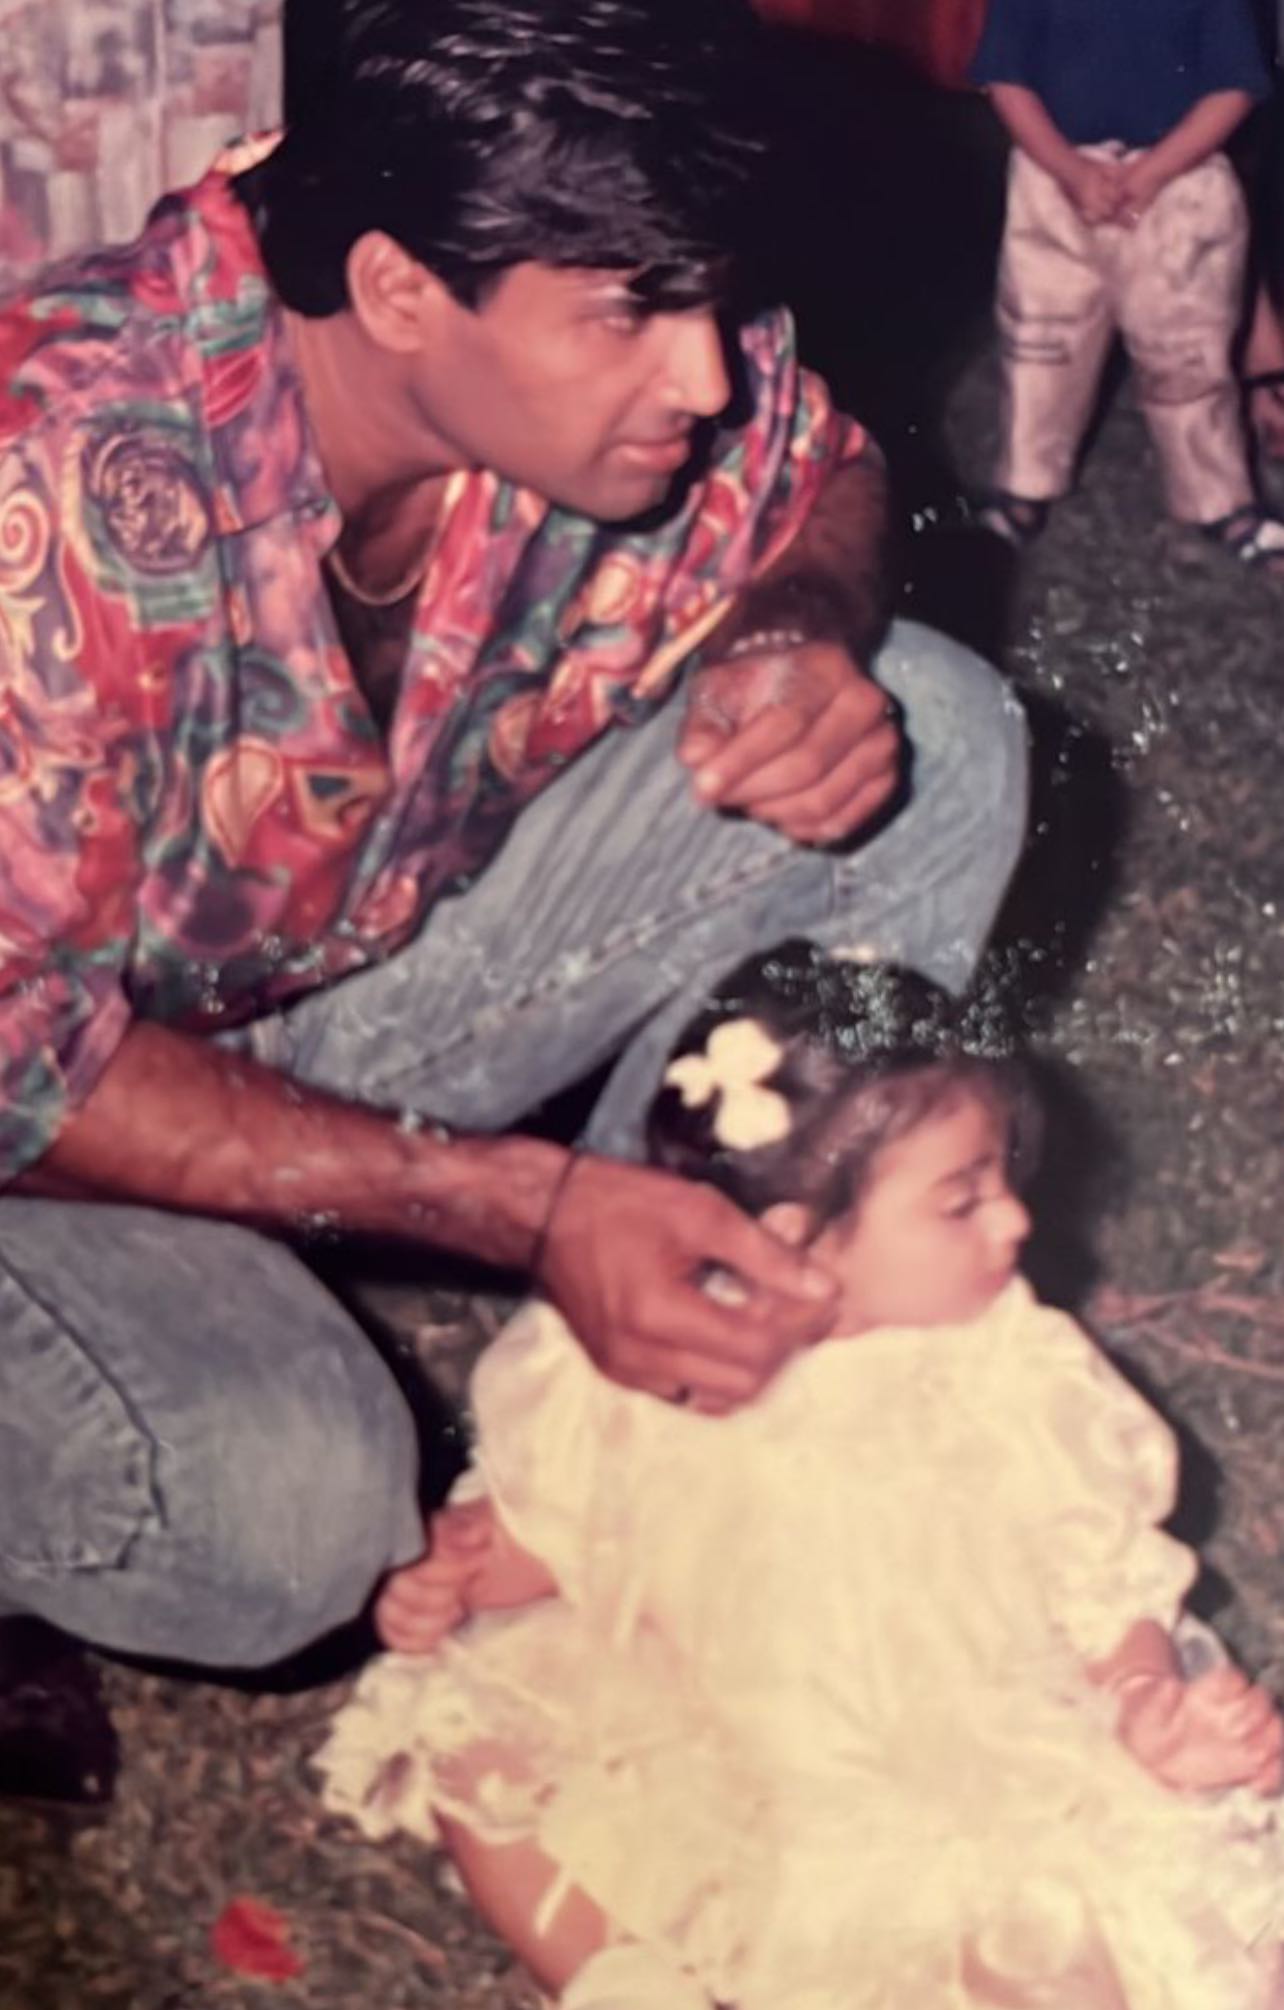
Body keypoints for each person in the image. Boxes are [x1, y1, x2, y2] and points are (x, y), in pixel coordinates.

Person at [0, 0, 1027, 1799]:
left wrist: (796, 631)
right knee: (284, 1511)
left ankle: (657, 1450)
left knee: (924, 741)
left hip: (277, 983)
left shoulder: (566, 326)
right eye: (634, 314)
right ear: (398, 290)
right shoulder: (55, 479)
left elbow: (825, 464)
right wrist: (533, 1201)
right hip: (39, 1116)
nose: (702, 376)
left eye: (703, 301)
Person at [321, 940, 1284, 2010]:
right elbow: (563, 1530)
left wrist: (1144, 1695)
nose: (1015, 1221)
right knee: (476, 1745)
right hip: (709, 1714)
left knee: (989, 1904)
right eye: (962, 1197)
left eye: (1002, 1182)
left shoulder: (1009, 1374)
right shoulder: (656, 1357)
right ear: (797, 1243)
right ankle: (622, 1994)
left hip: (939, 1741)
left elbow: (1099, 1580)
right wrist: (452, 1575)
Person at [971, 0, 1284, 567]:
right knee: (1042, 340)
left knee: (1189, 348)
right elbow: (1006, 79)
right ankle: (1025, 484)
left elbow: (1235, 88)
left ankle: (1217, 497)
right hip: (1055, 181)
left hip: (1181, 180)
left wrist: (1153, 172)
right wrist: (1070, 170)